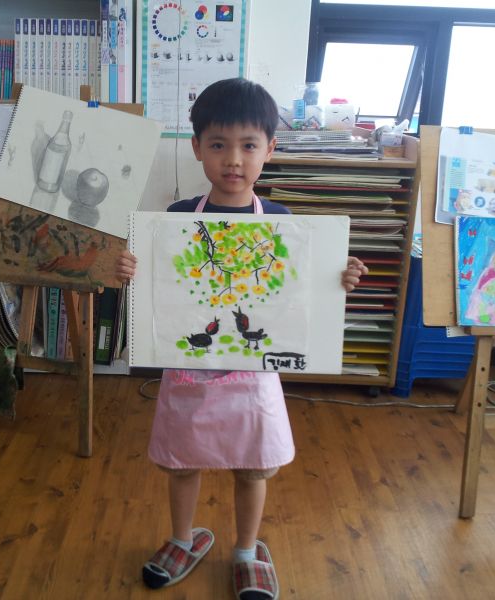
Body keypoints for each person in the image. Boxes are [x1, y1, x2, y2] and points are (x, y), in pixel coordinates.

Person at [115, 77, 367, 600]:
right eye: (218, 144)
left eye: (249, 145)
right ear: (197, 148)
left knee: (253, 468)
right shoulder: (175, 220)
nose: (233, 159)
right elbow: (156, 286)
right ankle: (182, 538)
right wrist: (129, 270)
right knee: (182, 462)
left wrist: (337, 279)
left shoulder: (281, 223)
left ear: (269, 150)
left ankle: (248, 551)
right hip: (189, 373)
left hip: (254, 375)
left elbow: (301, 293)